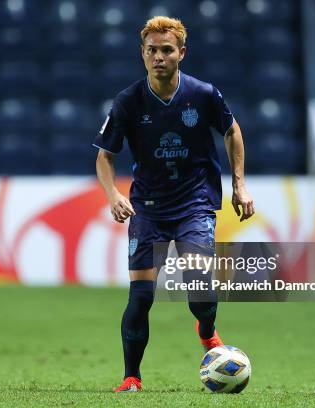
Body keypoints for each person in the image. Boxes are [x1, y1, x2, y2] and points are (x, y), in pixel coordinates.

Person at [93, 16, 255, 393]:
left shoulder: (203, 95)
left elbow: (232, 131)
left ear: (181, 53)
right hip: (147, 209)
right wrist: (114, 195)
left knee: (199, 292)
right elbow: (104, 157)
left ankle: (207, 330)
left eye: (167, 50)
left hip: (195, 204)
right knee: (142, 296)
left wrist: (239, 185)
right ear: (142, 54)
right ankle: (131, 378)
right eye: (152, 50)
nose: (159, 57)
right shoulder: (128, 101)